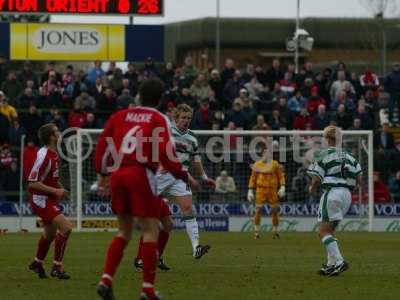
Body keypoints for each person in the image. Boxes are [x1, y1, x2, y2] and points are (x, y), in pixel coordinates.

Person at [94, 79, 194, 300]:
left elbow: (102, 146)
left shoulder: (120, 116)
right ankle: (148, 289)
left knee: (123, 231)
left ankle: (106, 280)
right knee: (151, 230)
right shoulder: (159, 118)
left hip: (118, 175)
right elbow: (167, 154)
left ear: (138, 95)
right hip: (141, 175)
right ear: (159, 99)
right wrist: (183, 175)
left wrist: (102, 176)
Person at [154, 104, 215, 259]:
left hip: (180, 178)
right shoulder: (167, 133)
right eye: (183, 117)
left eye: (189, 118)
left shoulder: (192, 138)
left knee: (188, 209)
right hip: (161, 176)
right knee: (152, 218)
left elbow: (195, 159)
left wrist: (204, 177)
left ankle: (196, 248)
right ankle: (143, 257)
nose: (186, 121)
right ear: (176, 118)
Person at [307, 125, 362, 276]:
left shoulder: (323, 154)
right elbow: (359, 177)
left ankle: (339, 261)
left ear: (327, 139)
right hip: (347, 195)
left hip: (332, 193)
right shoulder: (350, 156)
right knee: (330, 231)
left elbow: (317, 176)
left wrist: (312, 186)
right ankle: (331, 265)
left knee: (323, 231)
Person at [27, 123, 73, 280]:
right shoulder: (43, 155)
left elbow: (52, 178)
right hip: (40, 199)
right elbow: (32, 182)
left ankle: (37, 263)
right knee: (66, 227)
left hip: (49, 198)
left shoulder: (54, 153)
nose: (60, 133)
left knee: (49, 234)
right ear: (52, 137)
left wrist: (61, 188)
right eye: (57, 131)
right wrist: (56, 191)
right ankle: (57, 267)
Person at [247, 144, 286, 239]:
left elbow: (280, 176)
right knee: (258, 210)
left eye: (269, 153)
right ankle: (256, 233)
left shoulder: (275, 164)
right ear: (262, 154)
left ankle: (275, 232)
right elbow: (253, 178)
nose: (267, 154)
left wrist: (282, 187)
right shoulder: (257, 164)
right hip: (261, 190)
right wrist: (250, 190)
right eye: (265, 153)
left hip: (272, 190)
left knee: (275, 211)